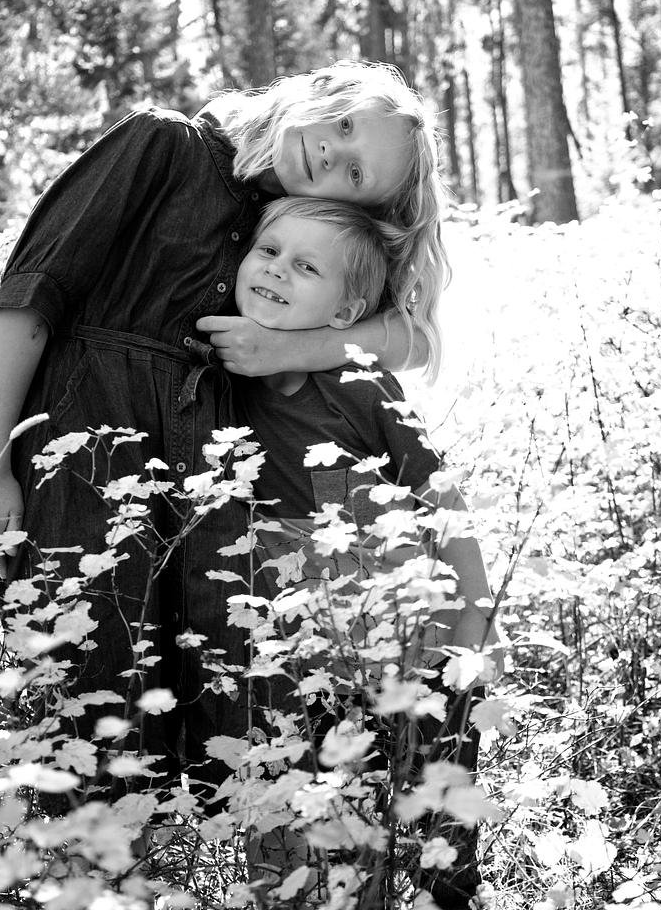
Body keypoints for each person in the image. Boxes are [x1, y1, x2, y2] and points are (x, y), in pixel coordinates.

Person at [0, 61, 449, 798]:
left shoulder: (289, 229)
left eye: (355, 173)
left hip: (203, 494)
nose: (331, 152)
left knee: (206, 723)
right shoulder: (162, 145)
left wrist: (291, 349)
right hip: (84, 462)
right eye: (344, 125)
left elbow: (415, 336)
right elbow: (31, 297)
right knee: (93, 704)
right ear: (320, 91)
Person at [228, 196, 499, 910]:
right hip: (304, 665)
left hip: (410, 649)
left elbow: (439, 492)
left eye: (305, 267)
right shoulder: (215, 388)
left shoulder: (357, 384)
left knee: (439, 821)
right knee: (323, 841)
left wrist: (475, 615)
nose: (276, 270)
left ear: (346, 314)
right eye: (268, 252)